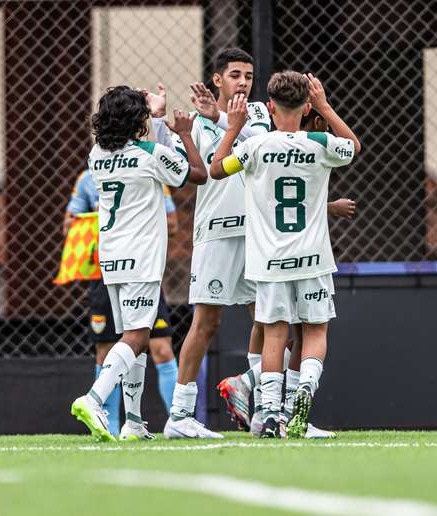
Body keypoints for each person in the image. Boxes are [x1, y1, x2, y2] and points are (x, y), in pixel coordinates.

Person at [209, 71, 360, 437]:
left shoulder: (255, 147)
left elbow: (216, 169)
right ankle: (303, 393)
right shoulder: (321, 142)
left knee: (275, 335)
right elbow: (353, 146)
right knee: (315, 329)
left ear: (270, 107)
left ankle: (271, 413)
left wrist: (233, 127)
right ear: (308, 106)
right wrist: (326, 107)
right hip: (313, 257)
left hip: (269, 260)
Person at [70, 86, 206, 443]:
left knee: (137, 336)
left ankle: (133, 421)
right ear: (138, 122)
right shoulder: (149, 153)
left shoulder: (96, 155)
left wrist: (154, 117)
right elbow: (196, 173)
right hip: (141, 259)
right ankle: (94, 399)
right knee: (135, 336)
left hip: (111, 258)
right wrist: (179, 131)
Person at [161, 48, 272, 439]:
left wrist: (222, 118)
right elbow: (198, 174)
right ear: (217, 79)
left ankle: (263, 407)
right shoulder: (196, 124)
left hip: (258, 234)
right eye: (235, 75)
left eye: (248, 75)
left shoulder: (257, 113)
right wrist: (188, 130)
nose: (243, 82)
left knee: (272, 319)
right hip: (216, 233)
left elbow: (261, 143)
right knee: (206, 322)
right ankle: (179, 415)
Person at [63, 171, 180, 438]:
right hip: (105, 272)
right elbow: (68, 225)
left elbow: (172, 224)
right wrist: (98, 220)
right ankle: (110, 426)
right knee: (107, 347)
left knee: (159, 346)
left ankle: (177, 419)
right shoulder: (87, 178)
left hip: (142, 269)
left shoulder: (150, 171)